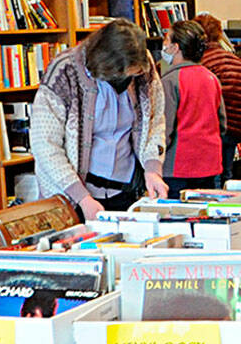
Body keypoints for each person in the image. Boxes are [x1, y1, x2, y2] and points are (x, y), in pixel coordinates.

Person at [30, 18, 168, 218]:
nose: (128, 80)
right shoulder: (64, 71)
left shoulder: (141, 64)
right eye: (122, 75)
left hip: (125, 191)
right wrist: (82, 198)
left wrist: (153, 168)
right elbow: (45, 145)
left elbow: (154, 122)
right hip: (72, 195)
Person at [160, 20, 226, 198]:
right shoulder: (211, 78)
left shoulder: (169, 81)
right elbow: (222, 124)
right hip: (210, 164)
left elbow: (164, 130)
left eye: (167, 40)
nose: (164, 45)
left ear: (176, 47)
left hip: (178, 167)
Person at [195, 13, 241, 180]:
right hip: (235, 126)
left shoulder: (201, 63)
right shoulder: (236, 60)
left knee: (212, 176)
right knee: (227, 171)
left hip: (211, 128)